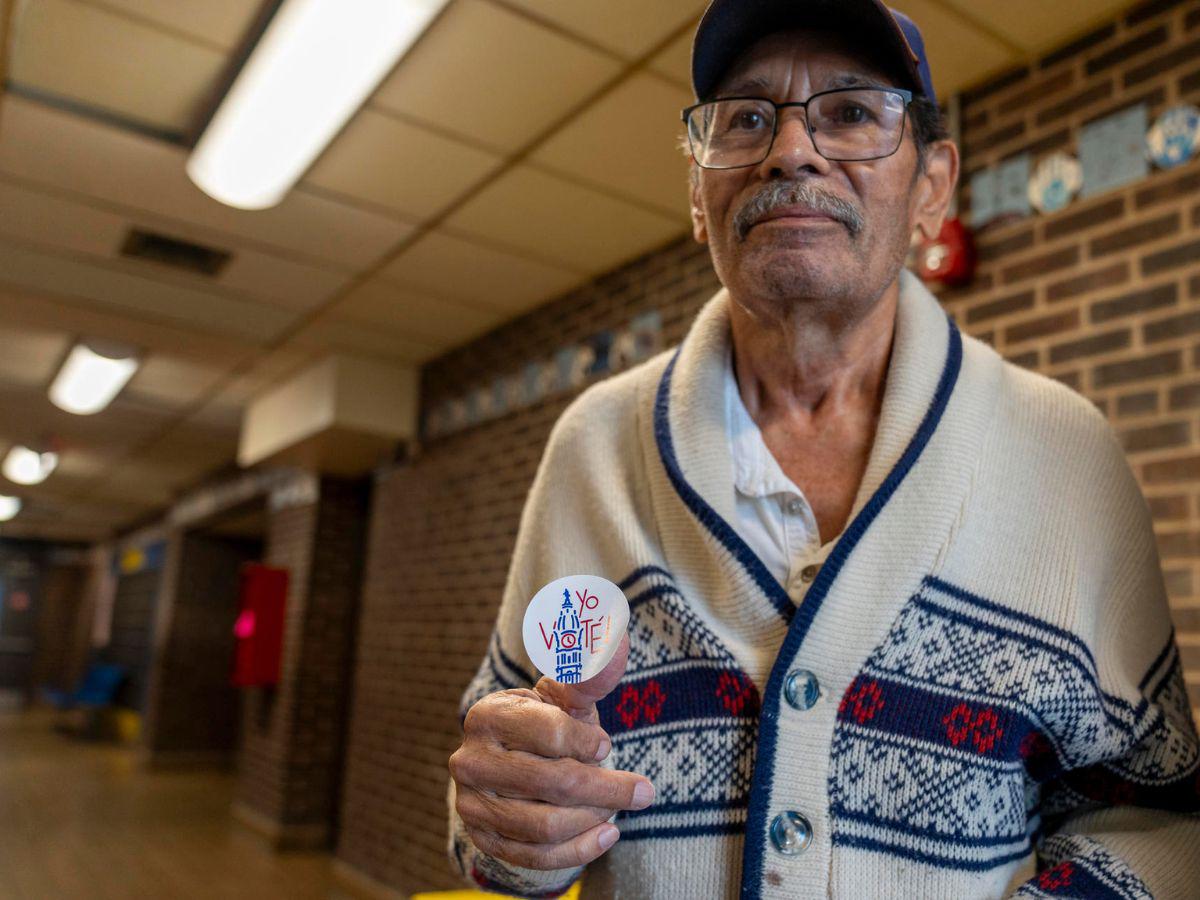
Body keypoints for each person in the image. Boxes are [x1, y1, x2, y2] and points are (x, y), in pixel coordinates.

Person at [446, 0, 1200, 896]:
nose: (790, 151)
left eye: (849, 113)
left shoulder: (1067, 456)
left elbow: (1159, 818)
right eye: (748, 119)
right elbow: (493, 785)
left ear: (933, 187)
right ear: (698, 195)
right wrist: (507, 827)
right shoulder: (592, 448)